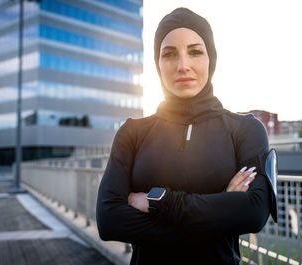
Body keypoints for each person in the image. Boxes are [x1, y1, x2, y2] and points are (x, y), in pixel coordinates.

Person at [96, 7, 277, 265]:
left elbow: (254, 213)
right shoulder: (133, 132)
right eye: (169, 54)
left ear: (210, 59)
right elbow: (109, 220)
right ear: (157, 64)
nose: (183, 66)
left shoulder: (245, 129)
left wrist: (159, 201)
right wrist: (220, 210)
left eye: (195, 52)